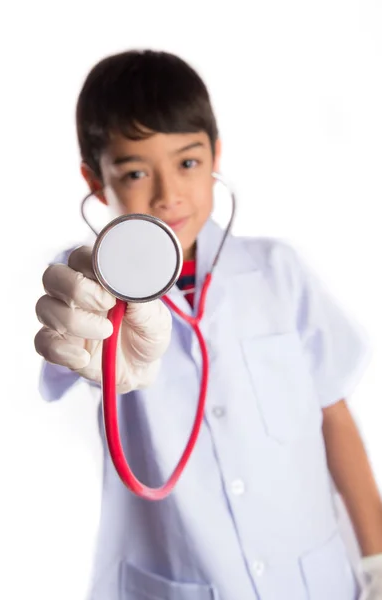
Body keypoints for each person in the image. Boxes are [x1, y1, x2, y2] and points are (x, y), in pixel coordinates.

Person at [34, 49, 382, 599]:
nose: (168, 194)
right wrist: (89, 327)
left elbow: (332, 412)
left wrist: (376, 558)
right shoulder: (92, 285)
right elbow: (65, 347)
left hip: (315, 577)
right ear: (96, 183)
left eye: (188, 163)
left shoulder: (278, 272)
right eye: (134, 171)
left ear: (217, 156)